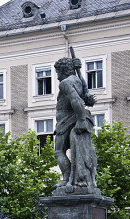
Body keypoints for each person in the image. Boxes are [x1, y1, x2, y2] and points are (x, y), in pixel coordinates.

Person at [53, 57, 98, 193]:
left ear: (63, 70)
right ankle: (74, 177)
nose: (57, 77)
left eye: (57, 73)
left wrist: (81, 120)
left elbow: (76, 101)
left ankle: (66, 178)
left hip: (67, 120)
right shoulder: (77, 81)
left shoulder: (65, 83)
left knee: (58, 151)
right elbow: (86, 100)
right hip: (72, 118)